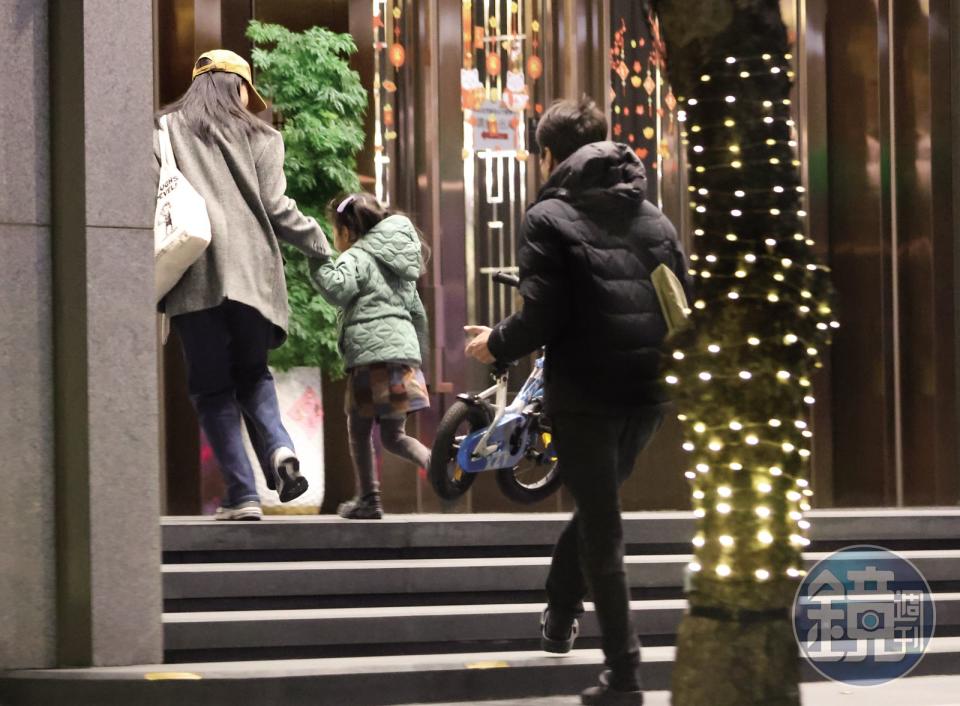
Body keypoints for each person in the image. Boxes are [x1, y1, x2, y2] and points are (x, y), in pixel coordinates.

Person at [464, 97, 688, 705]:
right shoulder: (655, 219)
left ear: (546, 155)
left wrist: (496, 343)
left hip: (587, 392)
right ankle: (562, 608)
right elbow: (682, 302)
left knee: (602, 522)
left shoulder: (548, 218)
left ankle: (625, 674)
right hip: (647, 393)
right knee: (599, 508)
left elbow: (544, 314)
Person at [155, 50, 330, 521]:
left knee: (212, 390)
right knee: (253, 375)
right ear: (238, 89)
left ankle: (242, 495)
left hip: (196, 275)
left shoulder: (164, 130)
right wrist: (319, 242)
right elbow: (277, 207)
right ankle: (280, 452)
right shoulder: (264, 136)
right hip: (254, 275)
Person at [312, 193, 432, 520]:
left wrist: (316, 256)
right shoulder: (401, 268)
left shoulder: (358, 256)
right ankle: (436, 465)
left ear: (347, 232)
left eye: (334, 231)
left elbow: (336, 288)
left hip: (370, 356)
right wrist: (418, 362)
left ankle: (369, 499)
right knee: (394, 436)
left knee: (359, 428)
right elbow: (418, 315)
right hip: (402, 357)